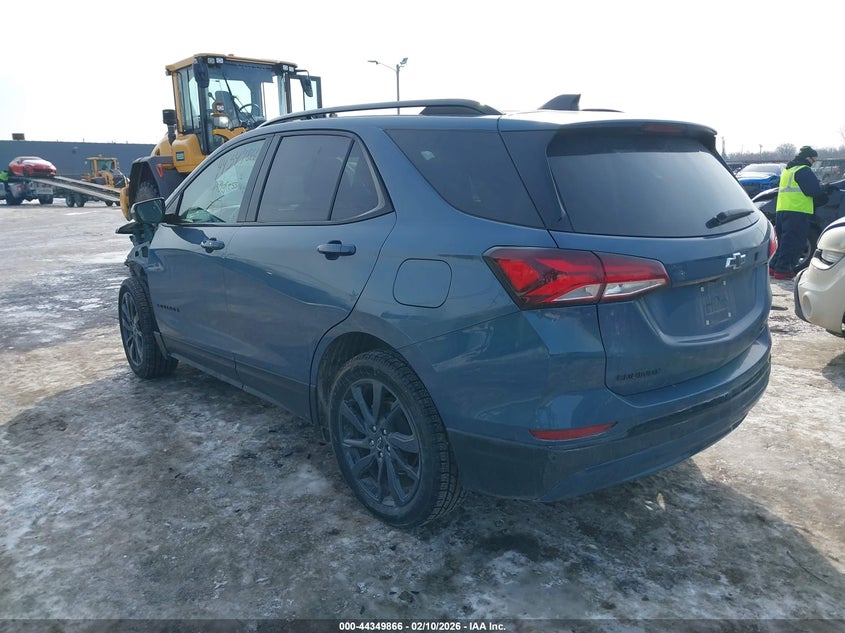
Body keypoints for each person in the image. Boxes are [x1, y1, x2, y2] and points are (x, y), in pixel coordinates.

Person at [769, 146, 828, 280]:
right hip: (797, 211)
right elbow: (814, 191)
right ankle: (783, 270)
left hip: (782, 210)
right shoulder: (804, 170)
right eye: (814, 159)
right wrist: (824, 193)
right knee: (794, 242)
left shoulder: (788, 170)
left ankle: (773, 267)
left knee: (783, 241)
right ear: (808, 157)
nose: (813, 162)